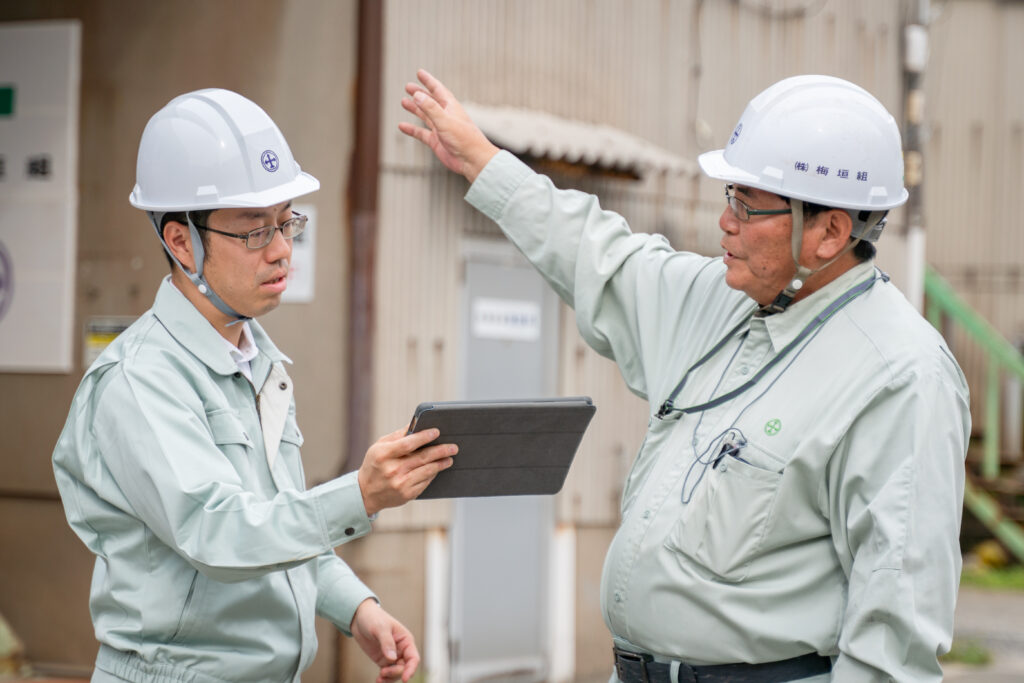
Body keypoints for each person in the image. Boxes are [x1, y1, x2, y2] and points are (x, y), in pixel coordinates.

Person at [400, 70, 971, 681]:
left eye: (749, 205)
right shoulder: (722, 301)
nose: (726, 221)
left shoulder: (901, 376)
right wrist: (485, 163)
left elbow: (894, 639)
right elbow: (600, 255)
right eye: (731, 196)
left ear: (830, 231)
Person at [52, 88, 457, 683]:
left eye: (285, 222)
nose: (282, 251)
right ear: (181, 241)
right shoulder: (139, 381)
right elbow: (219, 532)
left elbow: (274, 522)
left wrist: (357, 608)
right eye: (252, 232)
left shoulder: (257, 362)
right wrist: (361, 495)